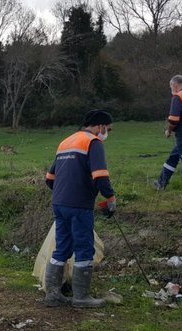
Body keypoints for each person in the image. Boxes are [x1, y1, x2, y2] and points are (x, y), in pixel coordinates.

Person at [44, 110, 117, 308]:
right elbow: (100, 175)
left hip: (59, 203)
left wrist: (63, 192)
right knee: (84, 247)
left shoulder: (65, 143)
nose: (107, 133)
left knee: (62, 248)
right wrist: (110, 198)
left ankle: (52, 294)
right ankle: (81, 297)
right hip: (79, 205)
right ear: (100, 126)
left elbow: (49, 179)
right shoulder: (93, 143)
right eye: (108, 129)